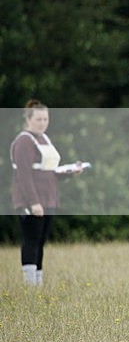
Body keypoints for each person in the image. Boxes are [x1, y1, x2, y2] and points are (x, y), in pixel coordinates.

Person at [10, 100, 84, 286]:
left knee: (41, 241)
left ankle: (38, 281)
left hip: (49, 199)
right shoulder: (24, 141)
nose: (42, 122)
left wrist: (70, 173)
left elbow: (49, 173)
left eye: (45, 119)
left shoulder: (45, 139)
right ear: (28, 119)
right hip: (32, 202)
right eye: (38, 119)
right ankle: (29, 284)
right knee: (31, 240)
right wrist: (33, 202)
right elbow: (24, 175)